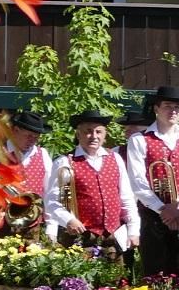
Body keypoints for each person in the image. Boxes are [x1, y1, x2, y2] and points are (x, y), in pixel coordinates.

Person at [126, 85, 179, 277]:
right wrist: (163, 209)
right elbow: (137, 181)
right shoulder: (139, 140)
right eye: (167, 105)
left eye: (177, 107)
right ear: (156, 108)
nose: (173, 111)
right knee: (154, 271)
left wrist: (178, 207)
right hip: (153, 216)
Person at [48, 109, 140, 254]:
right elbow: (52, 201)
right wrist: (68, 220)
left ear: (105, 135)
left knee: (115, 277)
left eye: (98, 132)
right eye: (88, 131)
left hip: (113, 237)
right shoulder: (65, 162)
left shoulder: (115, 159)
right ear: (78, 134)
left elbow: (126, 198)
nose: (94, 136)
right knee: (77, 277)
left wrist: (134, 230)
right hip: (79, 237)